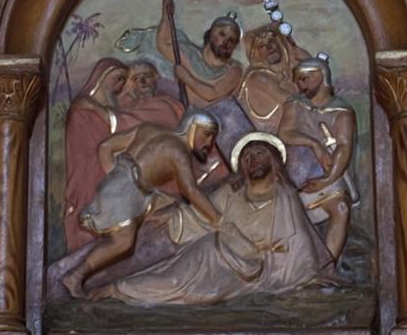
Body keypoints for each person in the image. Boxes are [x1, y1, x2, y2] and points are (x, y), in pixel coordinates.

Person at [90, 132, 335, 304]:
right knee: (173, 276)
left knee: (185, 285)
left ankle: (121, 289)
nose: (253, 161)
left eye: (259, 154)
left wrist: (308, 277)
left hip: (252, 268)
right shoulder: (232, 191)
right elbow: (204, 215)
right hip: (215, 251)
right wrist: (176, 215)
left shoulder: (284, 196)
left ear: (273, 159)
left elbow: (298, 243)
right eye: (247, 158)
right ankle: (120, 288)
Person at [62, 111, 221, 297]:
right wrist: (218, 219)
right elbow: (191, 191)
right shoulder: (178, 151)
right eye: (207, 134)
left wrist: (117, 178)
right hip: (129, 191)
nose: (209, 143)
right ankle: (75, 276)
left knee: (171, 205)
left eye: (213, 137)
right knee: (124, 242)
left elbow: (105, 146)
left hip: (133, 189)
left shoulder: (148, 129)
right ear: (191, 127)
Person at [278, 54, 359, 262]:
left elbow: (343, 147)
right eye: (298, 80)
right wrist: (314, 144)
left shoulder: (341, 112)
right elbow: (285, 133)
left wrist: (327, 179)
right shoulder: (296, 104)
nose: (300, 85)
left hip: (328, 175)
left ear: (321, 76)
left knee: (341, 208)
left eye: (305, 78)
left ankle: (327, 267)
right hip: (297, 174)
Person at [63, 58, 129, 252]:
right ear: (101, 77)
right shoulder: (82, 111)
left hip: (107, 168)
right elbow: (85, 150)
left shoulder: (106, 110)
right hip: (87, 174)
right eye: (117, 78)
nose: (119, 86)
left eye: (123, 81)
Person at [156, 0, 243, 106]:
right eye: (222, 34)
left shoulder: (233, 71)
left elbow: (212, 94)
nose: (226, 42)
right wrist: (166, 15)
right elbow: (163, 45)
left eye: (231, 40)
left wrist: (186, 77)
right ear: (211, 34)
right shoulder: (190, 54)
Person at [237, 24, 310, 133]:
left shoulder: (288, 72)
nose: (269, 47)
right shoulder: (257, 79)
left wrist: (302, 56)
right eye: (261, 46)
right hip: (269, 140)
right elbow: (294, 103)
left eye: (271, 41)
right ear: (255, 54)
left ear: (280, 44)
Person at [116, 60, 185, 130]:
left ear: (156, 78)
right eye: (135, 78)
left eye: (148, 76)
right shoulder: (122, 107)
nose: (142, 81)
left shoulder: (167, 101)